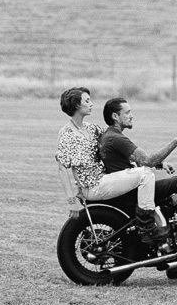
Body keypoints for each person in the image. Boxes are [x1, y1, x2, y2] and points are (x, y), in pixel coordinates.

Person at [100, 96, 177, 279]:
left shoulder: (111, 137)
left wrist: (160, 164)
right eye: (127, 112)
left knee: (171, 200)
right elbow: (147, 160)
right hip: (132, 193)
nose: (131, 116)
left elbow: (136, 162)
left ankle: (174, 263)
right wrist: (175, 142)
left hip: (129, 189)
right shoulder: (116, 138)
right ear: (115, 116)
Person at [55, 86, 166, 244]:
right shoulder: (66, 134)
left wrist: (156, 160)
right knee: (145, 174)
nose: (92, 104)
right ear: (77, 106)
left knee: (144, 171)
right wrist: (71, 201)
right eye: (87, 101)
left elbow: (114, 140)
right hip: (91, 187)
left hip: (104, 180)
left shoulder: (92, 128)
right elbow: (62, 168)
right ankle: (146, 226)